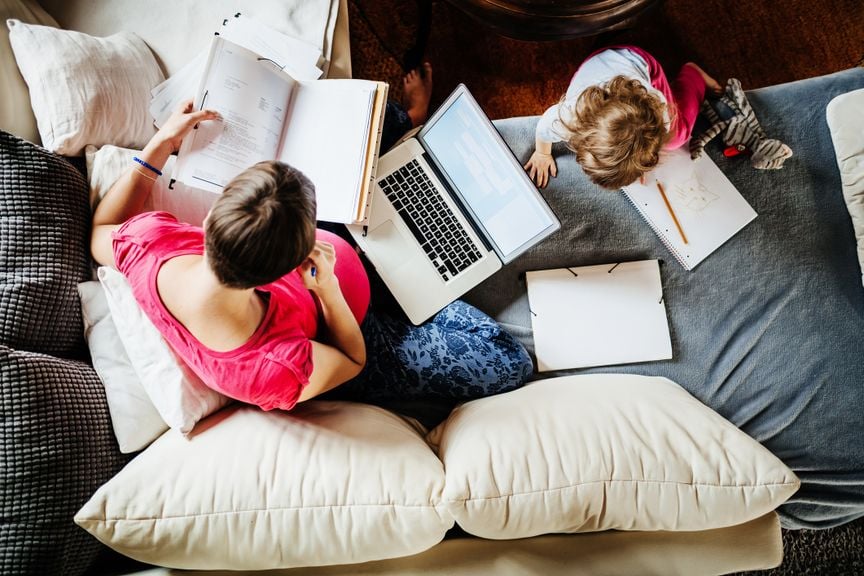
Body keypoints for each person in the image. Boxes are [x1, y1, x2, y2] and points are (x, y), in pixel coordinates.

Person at [90, 63, 532, 417]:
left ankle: (412, 122)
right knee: (505, 362)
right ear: (287, 270)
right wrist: (328, 290)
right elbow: (352, 360)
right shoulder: (271, 370)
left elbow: (98, 231)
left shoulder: (150, 243)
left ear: (210, 221)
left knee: (372, 124)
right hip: (359, 331)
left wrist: (161, 143)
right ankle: (414, 290)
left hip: (329, 261)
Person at [524, 46, 722, 190]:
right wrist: (542, 153)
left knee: (677, 136)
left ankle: (693, 76)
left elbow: (643, 139)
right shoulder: (569, 117)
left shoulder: (658, 109)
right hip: (614, 60)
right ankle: (692, 75)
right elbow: (543, 129)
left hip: (628, 63)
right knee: (672, 138)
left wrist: (638, 162)